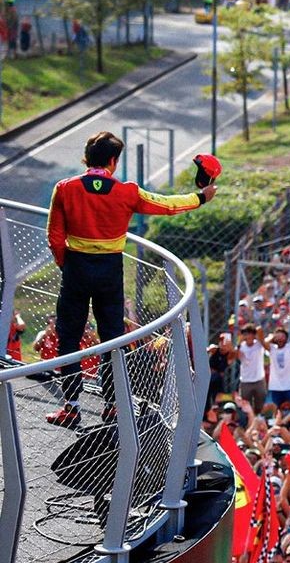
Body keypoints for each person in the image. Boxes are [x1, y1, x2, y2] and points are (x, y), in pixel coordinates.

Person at [45, 131, 216, 427]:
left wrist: (67, 264)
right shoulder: (127, 192)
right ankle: (112, 404)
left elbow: (55, 236)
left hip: (76, 268)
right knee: (114, 338)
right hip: (110, 270)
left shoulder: (65, 188)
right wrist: (200, 197)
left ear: (87, 157)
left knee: (69, 336)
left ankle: (71, 406)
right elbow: (166, 205)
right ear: (113, 160)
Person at [261, 314, 290, 407]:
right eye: (278, 337)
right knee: (277, 410)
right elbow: (263, 342)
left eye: (282, 337)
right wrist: (272, 337)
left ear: (286, 338)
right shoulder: (272, 349)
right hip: (275, 387)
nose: (280, 339)